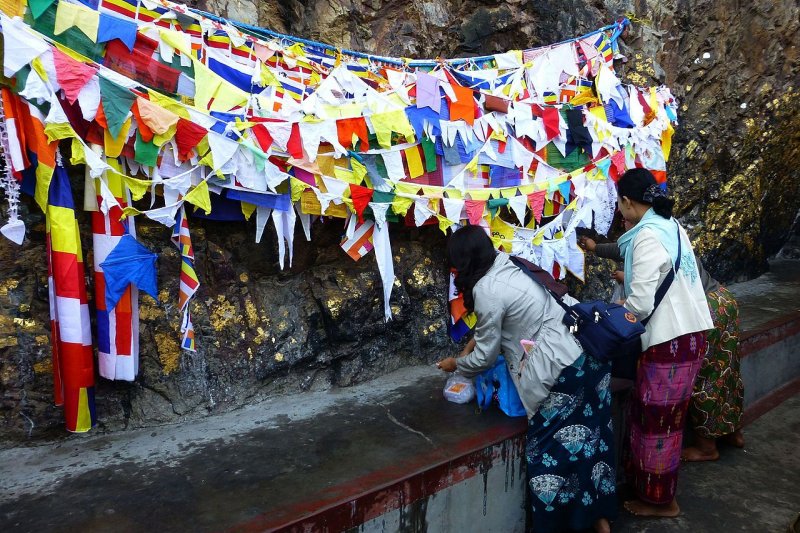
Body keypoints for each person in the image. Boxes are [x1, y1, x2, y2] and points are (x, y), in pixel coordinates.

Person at [436, 225, 617, 533]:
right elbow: (488, 332)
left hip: (560, 367)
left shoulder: (485, 290)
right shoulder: (510, 262)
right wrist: (473, 347)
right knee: (593, 440)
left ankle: (556, 526)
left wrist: (457, 365)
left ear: (462, 263)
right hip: (588, 350)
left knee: (549, 453)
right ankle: (599, 520)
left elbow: (486, 356)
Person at [579, 238, 745, 462]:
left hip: (704, 311)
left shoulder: (648, 238)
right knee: (727, 372)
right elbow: (626, 250)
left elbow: (646, 295)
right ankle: (733, 433)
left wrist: (622, 301)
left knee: (703, 378)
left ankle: (707, 447)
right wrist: (594, 247)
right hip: (723, 301)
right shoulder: (668, 230)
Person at [612, 168, 714, 517]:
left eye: (618, 203)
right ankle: (648, 486)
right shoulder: (669, 225)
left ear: (627, 202)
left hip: (670, 340)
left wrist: (611, 316)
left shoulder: (646, 237)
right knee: (662, 419)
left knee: (658, 424)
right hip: (688, 333)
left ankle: (661, 501)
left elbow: (639, 304)